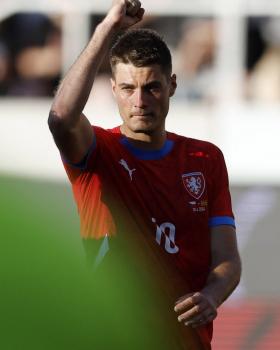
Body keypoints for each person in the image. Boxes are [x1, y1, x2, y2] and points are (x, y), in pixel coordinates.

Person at [48, 0, 241, 349]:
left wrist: (211, 295)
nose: (139, 101)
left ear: (172, 85)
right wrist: (106, 29)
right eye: (127, 88)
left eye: (151, 87)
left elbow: (226, 258)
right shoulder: (97, 154)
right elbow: (61, 116)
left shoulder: (205, 158)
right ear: (113, 91)